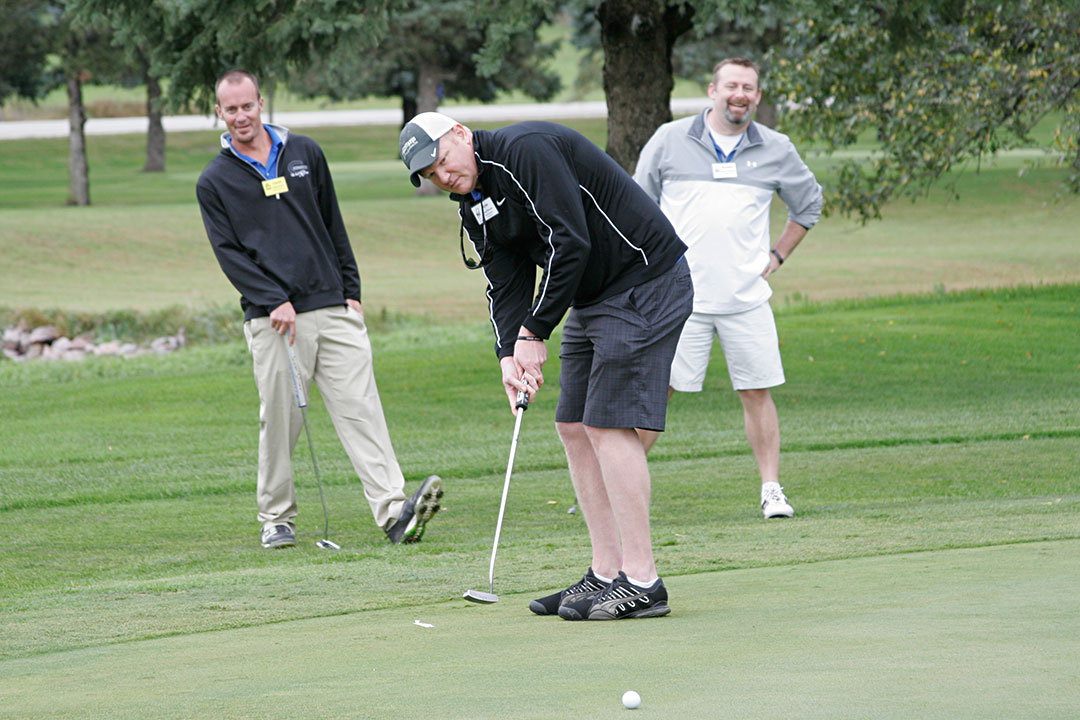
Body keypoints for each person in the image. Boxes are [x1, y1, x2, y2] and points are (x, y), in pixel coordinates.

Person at [399, 112, 694, 621]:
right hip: (594, 294)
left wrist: (535, 331)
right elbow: (506, 278)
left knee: (605, 425)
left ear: (462, 135)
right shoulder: (473, 202)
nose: (443, 176)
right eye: (430, 175)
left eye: (443, 160)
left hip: (644, 279)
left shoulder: (526, 150)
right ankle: (606, 573)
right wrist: (509, 354)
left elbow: (569, 239)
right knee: (573, 425)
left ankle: (643, 580)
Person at [196, 69, 442, 549]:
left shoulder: (305, 152)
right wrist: (273, 301)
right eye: (231, 109)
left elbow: (333, 224)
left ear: (260, 103)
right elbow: (229, 255)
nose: (241, 116)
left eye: (248, 106)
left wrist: (352, 290)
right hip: (273, 321)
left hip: (333, 306)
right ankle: (277, 518)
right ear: (219, 114)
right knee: (281, 422)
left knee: (362, 410)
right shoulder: (215, 181)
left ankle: (395, 514)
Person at [633, 57, 823, 519]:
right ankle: (615, 485)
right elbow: (637, 204)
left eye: (750, 88)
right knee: (659, 393)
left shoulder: (776, 148)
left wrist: (777, 256)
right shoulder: (670, 139)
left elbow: (809, 205)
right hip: (680, 299)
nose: (740, 95)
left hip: (745, 300)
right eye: (732, 86)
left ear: (757, 97)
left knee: (757, 391)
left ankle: (772, 490)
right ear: (713, 91)